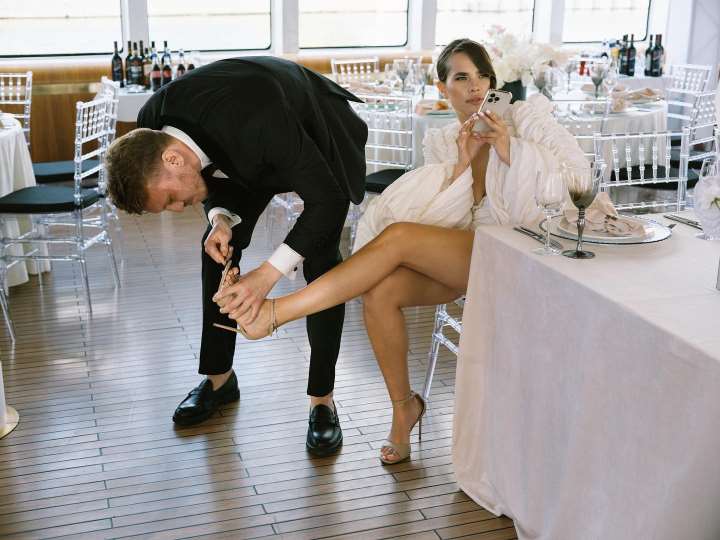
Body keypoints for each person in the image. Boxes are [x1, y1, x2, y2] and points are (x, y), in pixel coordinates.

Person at [214, 39, 587, 465]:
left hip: (524, 250)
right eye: (461, 77)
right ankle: (403, 407)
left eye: (483, 76)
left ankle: (276, 312)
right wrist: (463, 164)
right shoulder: (444, 140)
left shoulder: (524, 118)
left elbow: (573, 179)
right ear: (442, 88)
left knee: (400, 238)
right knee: (381, 291)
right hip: (469, 253)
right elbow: (447, 218)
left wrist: (508, 149)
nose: (475, 86)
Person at [105, 56, 368, 457]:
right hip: (253, 143)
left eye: (171, 199)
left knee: (321, 261)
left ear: (172, 160)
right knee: (215, 249)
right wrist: (221, 219)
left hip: (318, 130)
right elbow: (211, 164)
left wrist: (267, 275)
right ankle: (219, 379)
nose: (178, 209)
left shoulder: (255, 120)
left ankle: (322, 400)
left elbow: (327, 202)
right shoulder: (152, 128)